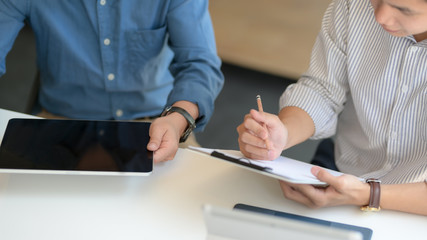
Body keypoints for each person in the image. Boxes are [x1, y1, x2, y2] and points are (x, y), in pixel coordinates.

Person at [237, 0, 427, 215]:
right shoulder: (353, 6)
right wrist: (284, 132)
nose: (380, 17)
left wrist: (369, 194)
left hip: (414, 203)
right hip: (342, 171)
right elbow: (322, 90)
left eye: (403, 10)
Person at [0, 0, 224, 163]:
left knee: (183, 213)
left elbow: (200, 64)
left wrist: (179, 118)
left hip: (161, 124)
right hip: (62, 123)